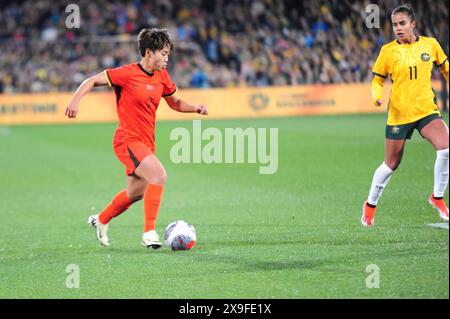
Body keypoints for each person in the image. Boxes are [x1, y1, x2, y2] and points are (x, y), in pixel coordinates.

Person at [65, 28, 208, 247]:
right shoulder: (127, 73)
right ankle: (149, 233)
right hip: (127, 140)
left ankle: (101, 220)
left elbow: (175, 102)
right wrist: (75, 101)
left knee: (135, 193)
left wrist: (195, 108)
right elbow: (91, 81)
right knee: (159, 176)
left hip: (147, 142)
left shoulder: (162, 76)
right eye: (163, 53)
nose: (167, 57)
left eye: (168, 53)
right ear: (149, 52)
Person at [361, 5, 449, 226]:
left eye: (402, 23)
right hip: (399, 115)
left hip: (426, 110)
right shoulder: (388, 51)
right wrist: (376, 95)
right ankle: (370, 204)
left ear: (413, 24)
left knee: (446, 147)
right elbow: (377, 79)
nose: (398, 28)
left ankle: (437, 197)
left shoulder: (431, 44)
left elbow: (446, 68)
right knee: (391, 164)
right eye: (395, 25)